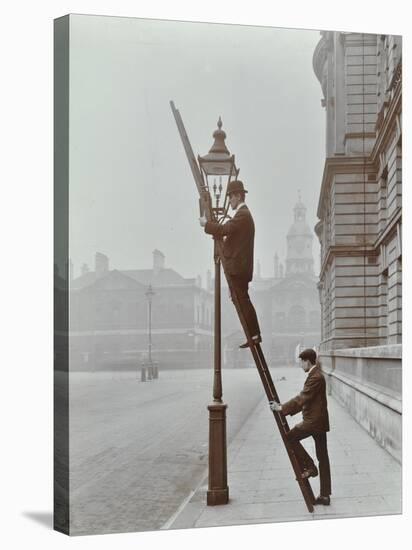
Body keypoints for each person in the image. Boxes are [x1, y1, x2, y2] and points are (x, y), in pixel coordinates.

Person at [199, 179, 261, 348]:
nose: (230, 201)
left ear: (238, 196)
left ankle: (254, 334)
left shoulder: (243, 215)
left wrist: (207, 225)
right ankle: (253, 334)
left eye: (231, 197)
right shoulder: (244, 215)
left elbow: (225, 229)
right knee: (240, 300)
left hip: (238, 268)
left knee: (242, 300)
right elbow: (233, 236)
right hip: (240, 267)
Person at [269, 348, 332, 505]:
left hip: (313, 422)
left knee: (289, 438)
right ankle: (325, 495)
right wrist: (285, 408)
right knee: (323, 457)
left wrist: (281, 408)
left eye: (301, 362)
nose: (300, 365)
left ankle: (310, 467)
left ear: (307, 361)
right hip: (318, 421)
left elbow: (302, 398)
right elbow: (306, 399)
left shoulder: (315, 377)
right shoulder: (315, 375)